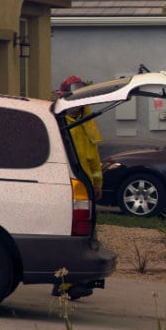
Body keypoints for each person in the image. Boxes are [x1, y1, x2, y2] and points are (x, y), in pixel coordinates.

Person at [53, 75, 104, 300]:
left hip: (84, 187)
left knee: (84, 237)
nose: (77, 105)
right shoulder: (56, 120)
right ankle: (64, 283)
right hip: (63, 185)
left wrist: (97, 183)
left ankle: (74, 281)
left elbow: (93, 158)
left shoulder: (87, 122)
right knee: (68, 234)